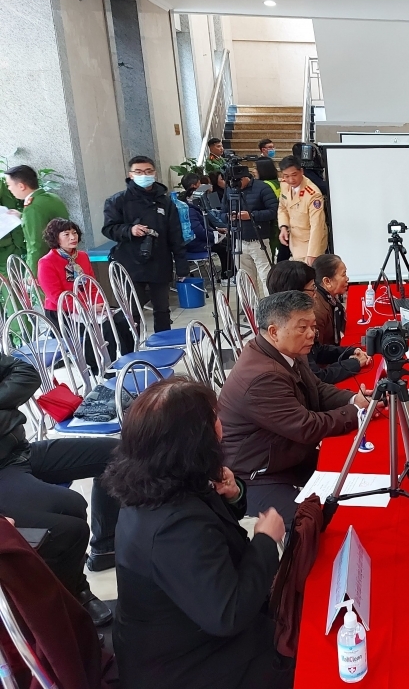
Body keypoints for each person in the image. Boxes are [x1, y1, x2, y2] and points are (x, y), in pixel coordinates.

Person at [104, 378, 292, 689]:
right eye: (214, 417)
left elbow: (212, 536)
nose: (221, 424)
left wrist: (232, 495)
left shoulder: (157, 477)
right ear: (194, 440)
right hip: (185, 664)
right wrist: (265, 541)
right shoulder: (173, 526)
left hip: (190, 631)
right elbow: (228, 614)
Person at [218, 291, 372, 525]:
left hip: (286, 452)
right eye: (302, 328)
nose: (311, 334)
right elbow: (306, 427)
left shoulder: (287, 350)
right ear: (274, 331)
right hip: (256, 471)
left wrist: (353, 399)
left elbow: (316, 388)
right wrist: (356, 412)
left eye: (313, 326)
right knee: (313, 523)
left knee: (356, 474)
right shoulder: (262, 377)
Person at [0, 355, 118, 626]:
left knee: (116, 454)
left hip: (21, 450)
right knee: (70, 512)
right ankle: (74, 593)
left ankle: (105, 548)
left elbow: (26, 372)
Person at [102, 155, 188, 332]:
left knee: (162, 310)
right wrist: (129, 230)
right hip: (130, 263)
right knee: (132, 312)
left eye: (148, 171)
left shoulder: (165, 202)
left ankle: (163, 342)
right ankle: (133, 345)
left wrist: (182, 267)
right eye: (139, 172)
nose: (144, 175)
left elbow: (175, 235)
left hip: (160, 262)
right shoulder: (117, 201)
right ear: (130, 175)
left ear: (155, 173)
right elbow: (109, 229)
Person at [37, 217, 135, 365]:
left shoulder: (82, 256)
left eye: (74, 233)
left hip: (90, 306)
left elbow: (92, 285)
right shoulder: (46, 262)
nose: (72, 237)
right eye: (66, 234)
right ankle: (106, 369)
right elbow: (57, 297)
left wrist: (100, 304)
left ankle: (130, 362)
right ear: (55, 238)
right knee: (105, 328)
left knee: (122, 319)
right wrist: (88, 308)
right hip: (63, 313)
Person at [265, 260, 370, 385]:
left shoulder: (297, 319)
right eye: (312, 289)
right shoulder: (289, 331)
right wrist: (354, 363)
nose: (315, 295)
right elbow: (317, 377)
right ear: (294, 294)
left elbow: (317, 350)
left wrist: (349, 352)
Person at [2, 164, 70, 275]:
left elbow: (36, 245)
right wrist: (23, 217)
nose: (9, 189)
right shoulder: (52, 198)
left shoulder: (33, 207)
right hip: (65, 260)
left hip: (48, 267)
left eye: (9, 185)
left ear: (21, 186)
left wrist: (32, 273)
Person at [228, 164, 278, 294]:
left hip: (259, 240)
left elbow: (273, 211)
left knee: (266, 276)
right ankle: (252, 305)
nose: (235, 184)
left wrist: (252, 215)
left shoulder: (262, 187)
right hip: (238, 240)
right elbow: (222, 212)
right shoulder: (230, 190)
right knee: (246, 279)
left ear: (245, 177)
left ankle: (270, 304)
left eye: (237, 181)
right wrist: (228, 216)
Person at [180, 173, 232, 279]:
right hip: (194, 242)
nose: (204, 186)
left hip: (202, 236)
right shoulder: (189, 208)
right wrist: (216, 236)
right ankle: (227, 276)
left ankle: (229, 272)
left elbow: (205, 222)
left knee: (227, 241)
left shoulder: (196, 202)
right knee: (224, 245)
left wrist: (216, 230)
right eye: (200, 184)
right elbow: (199, 230)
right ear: (194, 186)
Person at [277, 156, 327, 265]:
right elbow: (282, 208)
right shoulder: (284, 185)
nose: (291, 180)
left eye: (294, 175)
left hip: (310, 243)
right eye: (286, 176)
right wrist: (283, 227)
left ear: (301, 171)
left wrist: (313, 253)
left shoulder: (313, 194)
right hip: (294, 240)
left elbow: (317, 225)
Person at [256, 159, 287, 262]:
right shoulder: (277, 183)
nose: (254, 171)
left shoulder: (264, 186)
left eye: (256, 168)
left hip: (272, 225)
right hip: (280, 222)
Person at [0, 175, 25, 274]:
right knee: (11, 277)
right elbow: (11, 212)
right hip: (7, 244)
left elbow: (10, 213)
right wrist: (18, 244)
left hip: (7, 244)